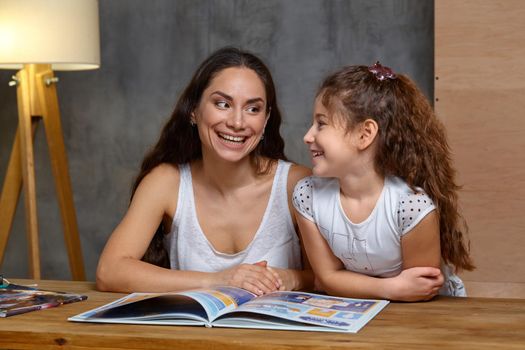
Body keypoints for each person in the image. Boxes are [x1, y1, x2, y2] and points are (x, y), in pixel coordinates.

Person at [96, 47, 312, 295]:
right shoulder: (166, 182)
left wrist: (293, 278)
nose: (237, 122)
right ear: (193, 111)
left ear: (265, 120)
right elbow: (109, 271)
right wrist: (219, 280)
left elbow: (328, 277)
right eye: (222, 104)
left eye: (253, 109)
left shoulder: (297, 184)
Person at [293, 63, 475, 302]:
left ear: (364, 134)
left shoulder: (412, 207)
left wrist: (396, 291)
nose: (308, 136)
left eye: (321, 124)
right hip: (367, 309)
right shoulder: (307, 196)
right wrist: (390, 289)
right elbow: (328, 278)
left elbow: (420, 291)